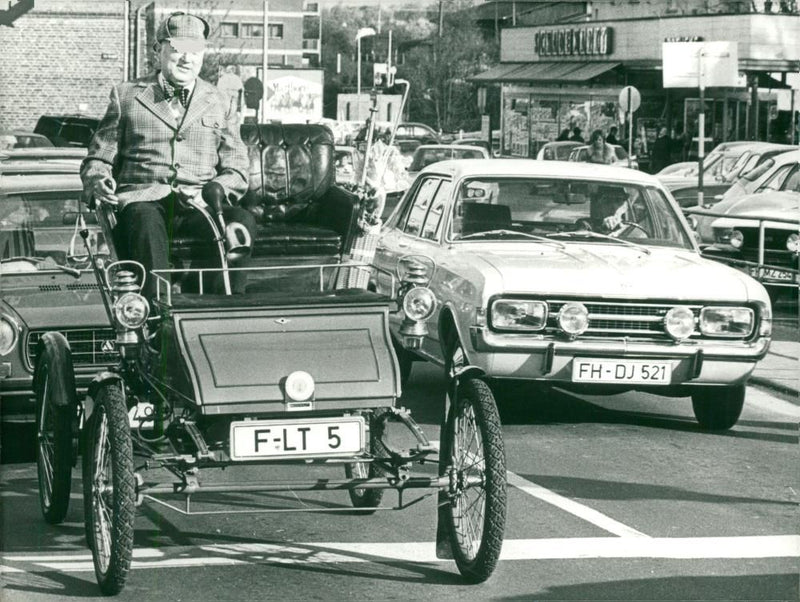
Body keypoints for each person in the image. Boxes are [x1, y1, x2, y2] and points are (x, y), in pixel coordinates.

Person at [80, 12, 255, 297]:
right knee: (144, 222)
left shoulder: (220, 101)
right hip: (143, 201)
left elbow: (237, 169)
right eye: (177, 49)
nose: (187, 59)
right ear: (158, 50)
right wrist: (99, 181)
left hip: (200, 205)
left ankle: (222, 309)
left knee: (242, 221)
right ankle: (157, 316)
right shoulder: (126, 97)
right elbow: (97, 160)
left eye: (195, 51)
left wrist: (214, 191)